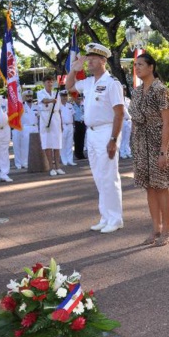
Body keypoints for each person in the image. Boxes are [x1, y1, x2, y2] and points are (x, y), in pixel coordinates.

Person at [66, 43, 125, 234]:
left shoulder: (112, 83)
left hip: (106, 132)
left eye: (93, 59)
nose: (89, 62)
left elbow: (119, 113)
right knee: (99, 177)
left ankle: (115, 219)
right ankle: (105, 217)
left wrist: (113, 139)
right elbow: (69, 87)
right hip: (91, 133)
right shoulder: (89, 82)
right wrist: (74, 70)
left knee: (109, 177)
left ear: (103, 61)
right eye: (88, 59)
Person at [129, 53, 169, 247]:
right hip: (141, 144)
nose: (137, 68)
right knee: (149, 186)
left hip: (157, 143)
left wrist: (164, 151)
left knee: (161, 186)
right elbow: (134, 119)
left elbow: (168, 121)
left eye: (140, 64)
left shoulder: (160, 89)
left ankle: (167, 229)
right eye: (135, 65)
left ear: (151, 67)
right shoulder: (137, 92)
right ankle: (156, 228)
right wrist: (134, 143)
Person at [38, 75, 64, 176]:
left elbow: (59, 109)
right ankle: (51, 167)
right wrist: (51, 100)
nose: (50, 84)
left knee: (57, 143)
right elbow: (44, 100)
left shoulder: (56, 94)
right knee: (47, 143)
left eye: (51, 82)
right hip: (45, 118)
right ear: (44, 83)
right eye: (48, 82)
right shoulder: (40, 93)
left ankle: (58, 167)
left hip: (55, 117)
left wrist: (61, 123)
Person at [12, 90, 38, 169]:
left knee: (36, 146)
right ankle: (24, 162)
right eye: (27, 96)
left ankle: (34, 161)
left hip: (35, 127)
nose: (29, 98)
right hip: (26, 127)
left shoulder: (36, 106)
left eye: (30, 96)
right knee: (25, 146)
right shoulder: (21, 107)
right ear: (24, 97)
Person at [59, 90, 76, 166]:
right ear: (60, 97)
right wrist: (60, 126)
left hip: (70, 125)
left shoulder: (70, 105)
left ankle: (70, 160)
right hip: (63, 125)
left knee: (70, 143)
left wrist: (74, 125)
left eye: (65, 96)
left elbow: (73, 116)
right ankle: (64, 160)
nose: (64, 97)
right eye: (63, 96)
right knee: (63, 144)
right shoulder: (58, 106)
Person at [72, 94, 87, 160]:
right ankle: (77, 153)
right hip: (76, 123)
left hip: (82, 123)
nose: (79, 100)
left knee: (82, 139)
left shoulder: (83, 105)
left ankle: (81, 154)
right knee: (77, 139)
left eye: (80, 99)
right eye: (78, 99)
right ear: (75, 99)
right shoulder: (72, 106)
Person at [120, 85, 133, 159]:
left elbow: (131, 109)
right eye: (122, 90)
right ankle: (122, 152)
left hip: (129, 120)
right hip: (122, 120)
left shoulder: (128, 100)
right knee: (122, 138)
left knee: (127, 138)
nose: (124, 91)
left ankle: (128, 151)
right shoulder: (118, 100)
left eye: (124, 90)